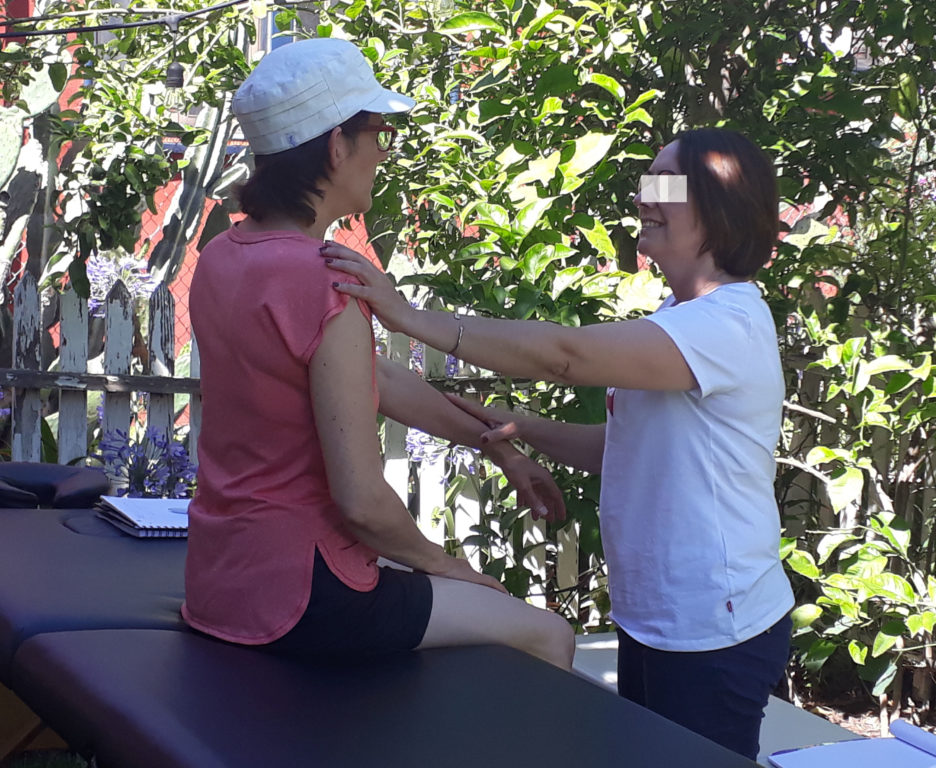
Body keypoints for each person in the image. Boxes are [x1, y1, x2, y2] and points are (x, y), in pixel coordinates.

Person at [326, 128, 796, 759]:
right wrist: (524, 430)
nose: (642, 201)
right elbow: (626, 446)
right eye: (644, 185)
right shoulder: (682, 322)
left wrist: (408, 316)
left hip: (715, 627)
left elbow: (564, 356)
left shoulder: (726, 324)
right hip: (658, 620)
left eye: (664, 186)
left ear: (716, 208)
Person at [181, 37, 574, 670]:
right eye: (377, 133)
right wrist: (452, 569)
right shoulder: (323, 280)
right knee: (548, 635)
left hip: (221, 580)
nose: (383, 151)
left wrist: (496, 446)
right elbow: (361, 502)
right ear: (337, 147)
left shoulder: (223, 257)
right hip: (302, 596)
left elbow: (372, 379)